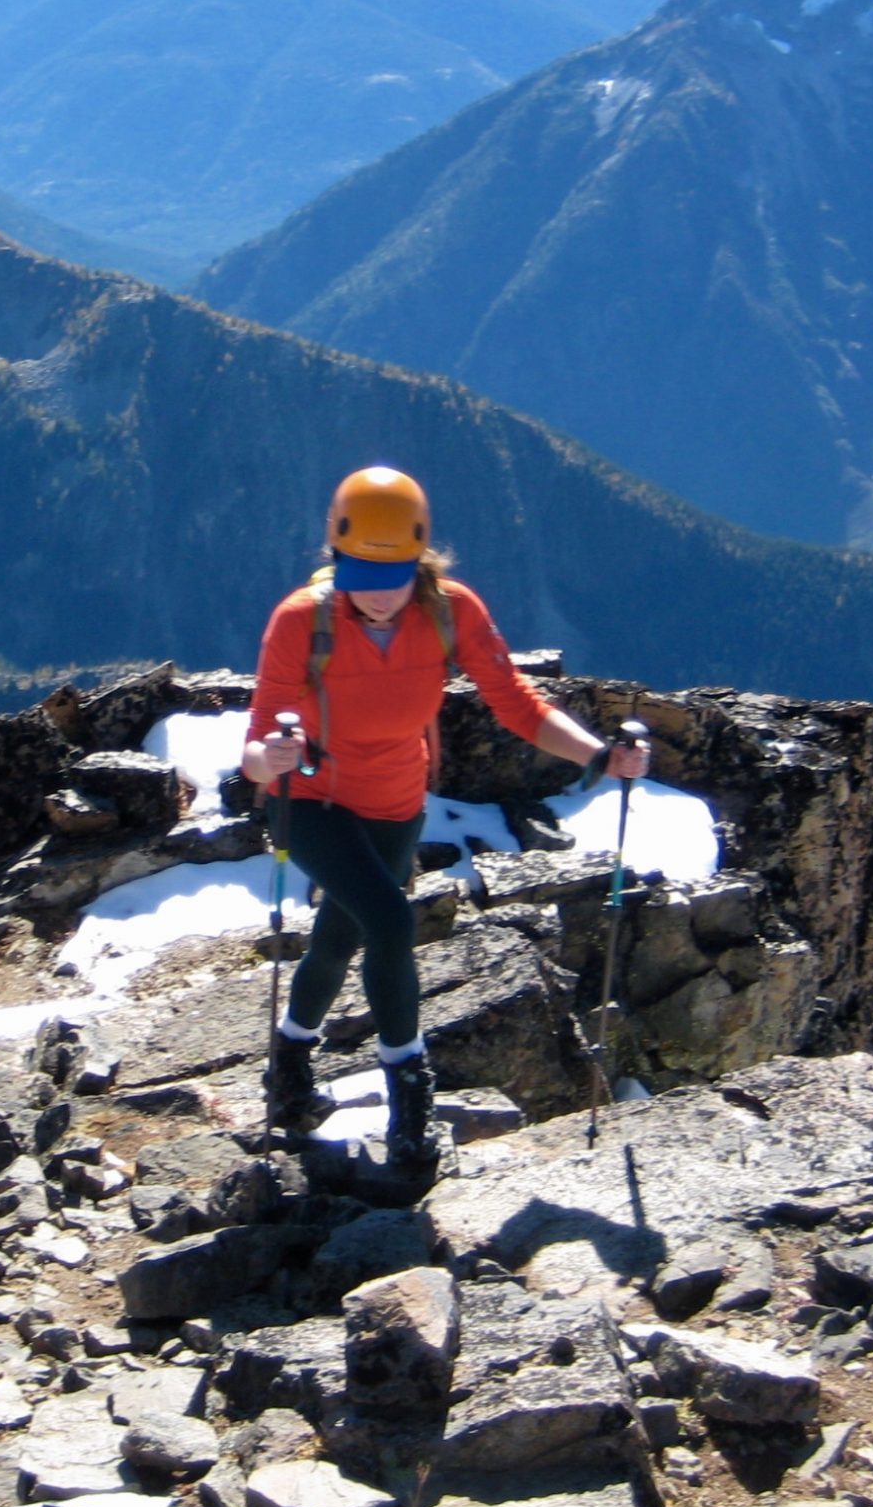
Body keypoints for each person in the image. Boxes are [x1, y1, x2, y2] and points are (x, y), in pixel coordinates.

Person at [241, 466, 651, 1164]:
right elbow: (254, 752)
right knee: (391, 921)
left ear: (420, 563)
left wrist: (598, 756)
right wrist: (268, 759)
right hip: (307, 802)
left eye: (393, 578)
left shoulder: (450, 611)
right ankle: (410, 1099)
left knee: (340, 937)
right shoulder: (300, 621)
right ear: (335, 559)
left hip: (396, 803)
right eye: (360, 578)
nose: (377, 596)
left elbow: (516, 703)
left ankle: (288, 1070)